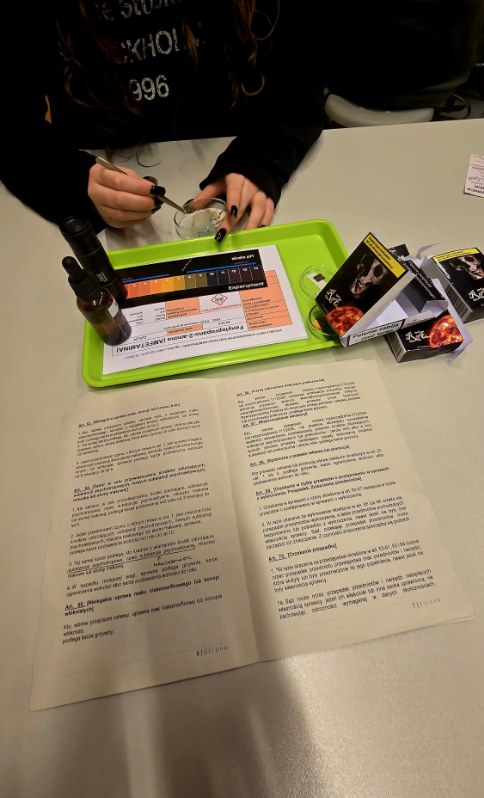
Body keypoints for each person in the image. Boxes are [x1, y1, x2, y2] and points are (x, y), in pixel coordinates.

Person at [1, 1, 326, 241]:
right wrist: (75, 183)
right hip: (102, 215)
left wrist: (262, 158)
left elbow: (300, 82)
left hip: (244, 183)